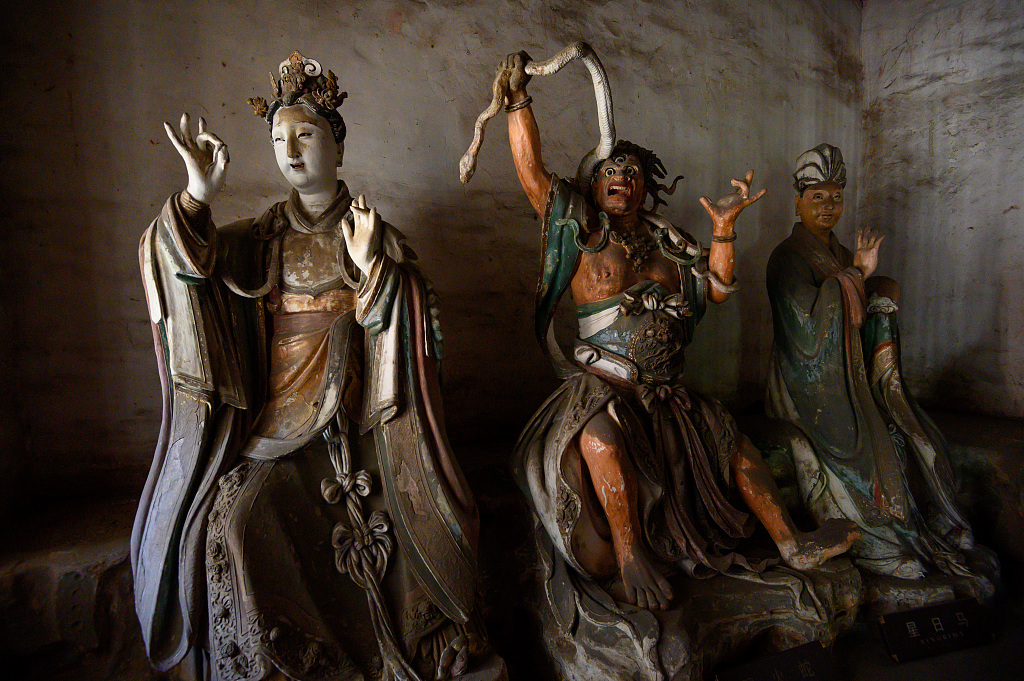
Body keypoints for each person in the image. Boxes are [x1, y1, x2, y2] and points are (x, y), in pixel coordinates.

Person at [132, 52, 500, 681]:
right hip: (273, 427)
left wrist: (373, 273)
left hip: (358, 423)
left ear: (337, 142)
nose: (291, 151)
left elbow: (409, 328)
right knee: (236, 519)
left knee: (406, 531)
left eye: (305, 135)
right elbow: (186, 272)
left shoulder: (369, 232)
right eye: (278, 139)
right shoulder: (258, 238)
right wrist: (197, 196)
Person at [501, 52, 859, 612]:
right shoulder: (583, 235)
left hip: (667, 392)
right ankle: (628, 555)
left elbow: (715, 290)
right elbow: (532, 176)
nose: (621, 180)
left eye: (632, 174)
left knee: (731, 441)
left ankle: (792, 542)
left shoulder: (670, 245)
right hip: (603, 386)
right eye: (610, 173)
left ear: (647, 188)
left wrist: (723, 231)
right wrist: (519, 101)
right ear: (592, 185)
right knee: (599, 441)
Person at [765, 143, 981, 580]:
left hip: (855, 377)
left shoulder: (844, 255)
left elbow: (860, 312)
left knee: (909, 428)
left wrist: (877, 291)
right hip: (809, 383)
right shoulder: (785, 258)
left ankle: (931, 524)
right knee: (861, 443)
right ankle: (879, 544)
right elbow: (806, 333)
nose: (828, 206)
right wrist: (856, 278)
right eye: (817, 197)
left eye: (836, 196)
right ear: (798, 203)